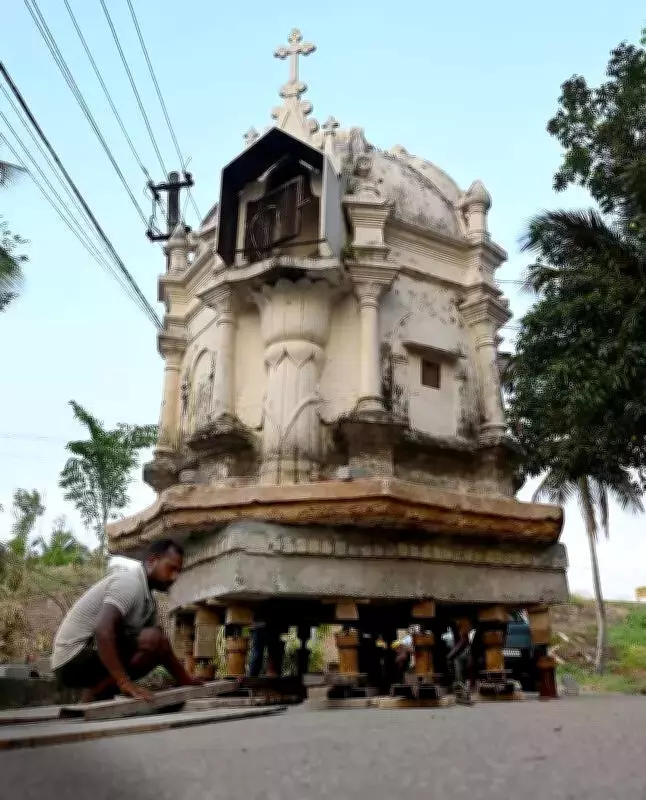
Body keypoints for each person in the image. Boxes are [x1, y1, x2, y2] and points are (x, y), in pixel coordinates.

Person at [51, 538, 202, 703]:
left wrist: (185, 679)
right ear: (152, 561)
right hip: (72, 659)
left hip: (89, 657)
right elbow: (103, 631)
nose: (174, 577)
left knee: (156, 643)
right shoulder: (129, 583)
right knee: (153, 638)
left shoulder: (149, 601)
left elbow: (162, 647)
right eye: (171, 568)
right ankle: (108, 688)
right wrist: (124, 682)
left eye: (178, 571)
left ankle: (96, 694)